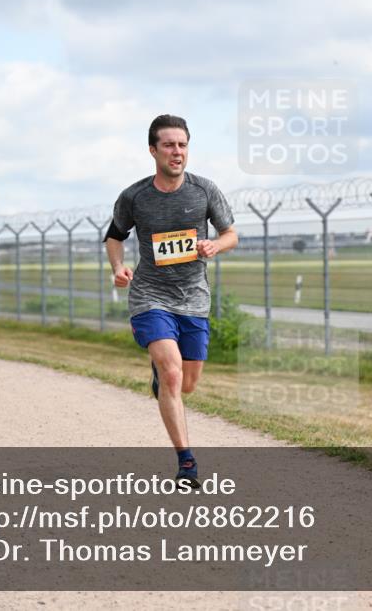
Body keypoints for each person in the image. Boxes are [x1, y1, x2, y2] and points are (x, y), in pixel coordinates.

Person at [104, 114, 238, 488]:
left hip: (194, 300)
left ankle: (161, 375)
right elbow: (114, 237)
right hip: (150, 296)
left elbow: (231, 234)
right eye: (168, 145)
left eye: (182, 145)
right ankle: (187, 463)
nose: (176, 152)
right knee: (173, 372)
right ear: (153, 150)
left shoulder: (204, 191)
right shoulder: (134, 197)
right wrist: (118, 266)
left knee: (187, 383)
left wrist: (215, 244)